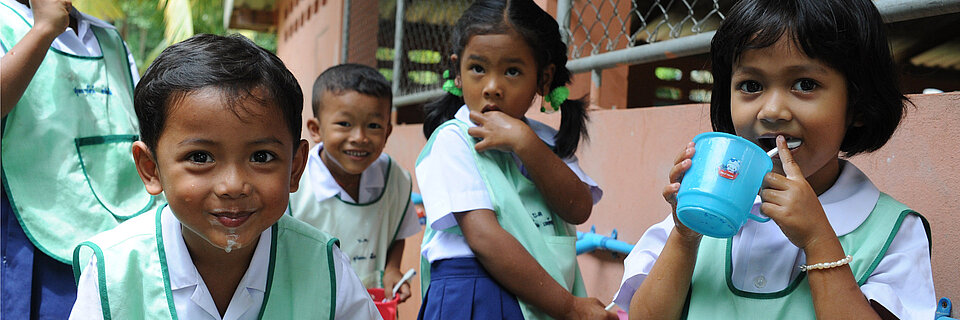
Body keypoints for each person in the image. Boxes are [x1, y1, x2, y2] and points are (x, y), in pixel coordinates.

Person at [614, 0, 935, 319]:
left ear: (859, 105)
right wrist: (685, 235)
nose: (771, 111)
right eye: (751, 86)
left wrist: (817, 239)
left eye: (805, 85)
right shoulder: (703, 210)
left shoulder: (891, 231)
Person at [69, 34, 381, 319]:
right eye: (200, 158)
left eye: (261, 157)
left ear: (295, 167)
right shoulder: (114, 272)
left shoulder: (325, 269)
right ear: (151, 169)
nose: (233, 186)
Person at [415, 0, 616, 318]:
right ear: (457, 72)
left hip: (542, 295)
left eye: (512, 71)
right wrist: (569, 306)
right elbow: (483, 236)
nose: (492, 88)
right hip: (475, 295)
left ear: (544, 78)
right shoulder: (452, 141)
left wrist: (527, 144)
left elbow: (577, 209)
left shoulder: (544, 142)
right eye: (478, 69)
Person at [0, 0, 154, 318]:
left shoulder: (109, 39)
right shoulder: (7, 22)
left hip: (117, 237)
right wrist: (43, 29)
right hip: (37, 235)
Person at [288, 63, 420, 302]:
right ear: (315, 129)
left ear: (388, 132)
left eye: (373, 126)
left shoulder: (395, 179)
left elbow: (398, 230)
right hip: (309, 303)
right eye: (344, 124)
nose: (359, 138)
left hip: (373, 304)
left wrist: (392, 269)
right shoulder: (294, 184)